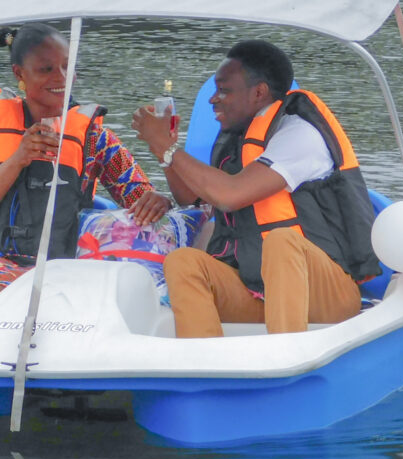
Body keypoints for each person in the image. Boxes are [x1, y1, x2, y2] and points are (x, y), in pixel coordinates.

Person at [0, 23, 172, 328]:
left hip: (40, 269)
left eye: (67, 67)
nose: (61, 79)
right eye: (46, 69)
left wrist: (156, 200)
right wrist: (18, 159)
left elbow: (139, 194)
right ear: (19, 74)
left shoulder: (94, 139)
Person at [131, 39, 380, 337]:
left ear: (259, 92)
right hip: (259, 291)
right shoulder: (239, 140)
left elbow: (230, 196)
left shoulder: (300, 135)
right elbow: (190, 198)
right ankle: (204, 365)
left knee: (281, 241)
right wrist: (165, 152)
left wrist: (165, 147)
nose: (213, 99)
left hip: (326, 296)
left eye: (224, 90)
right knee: (184, 262)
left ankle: (284, 359)